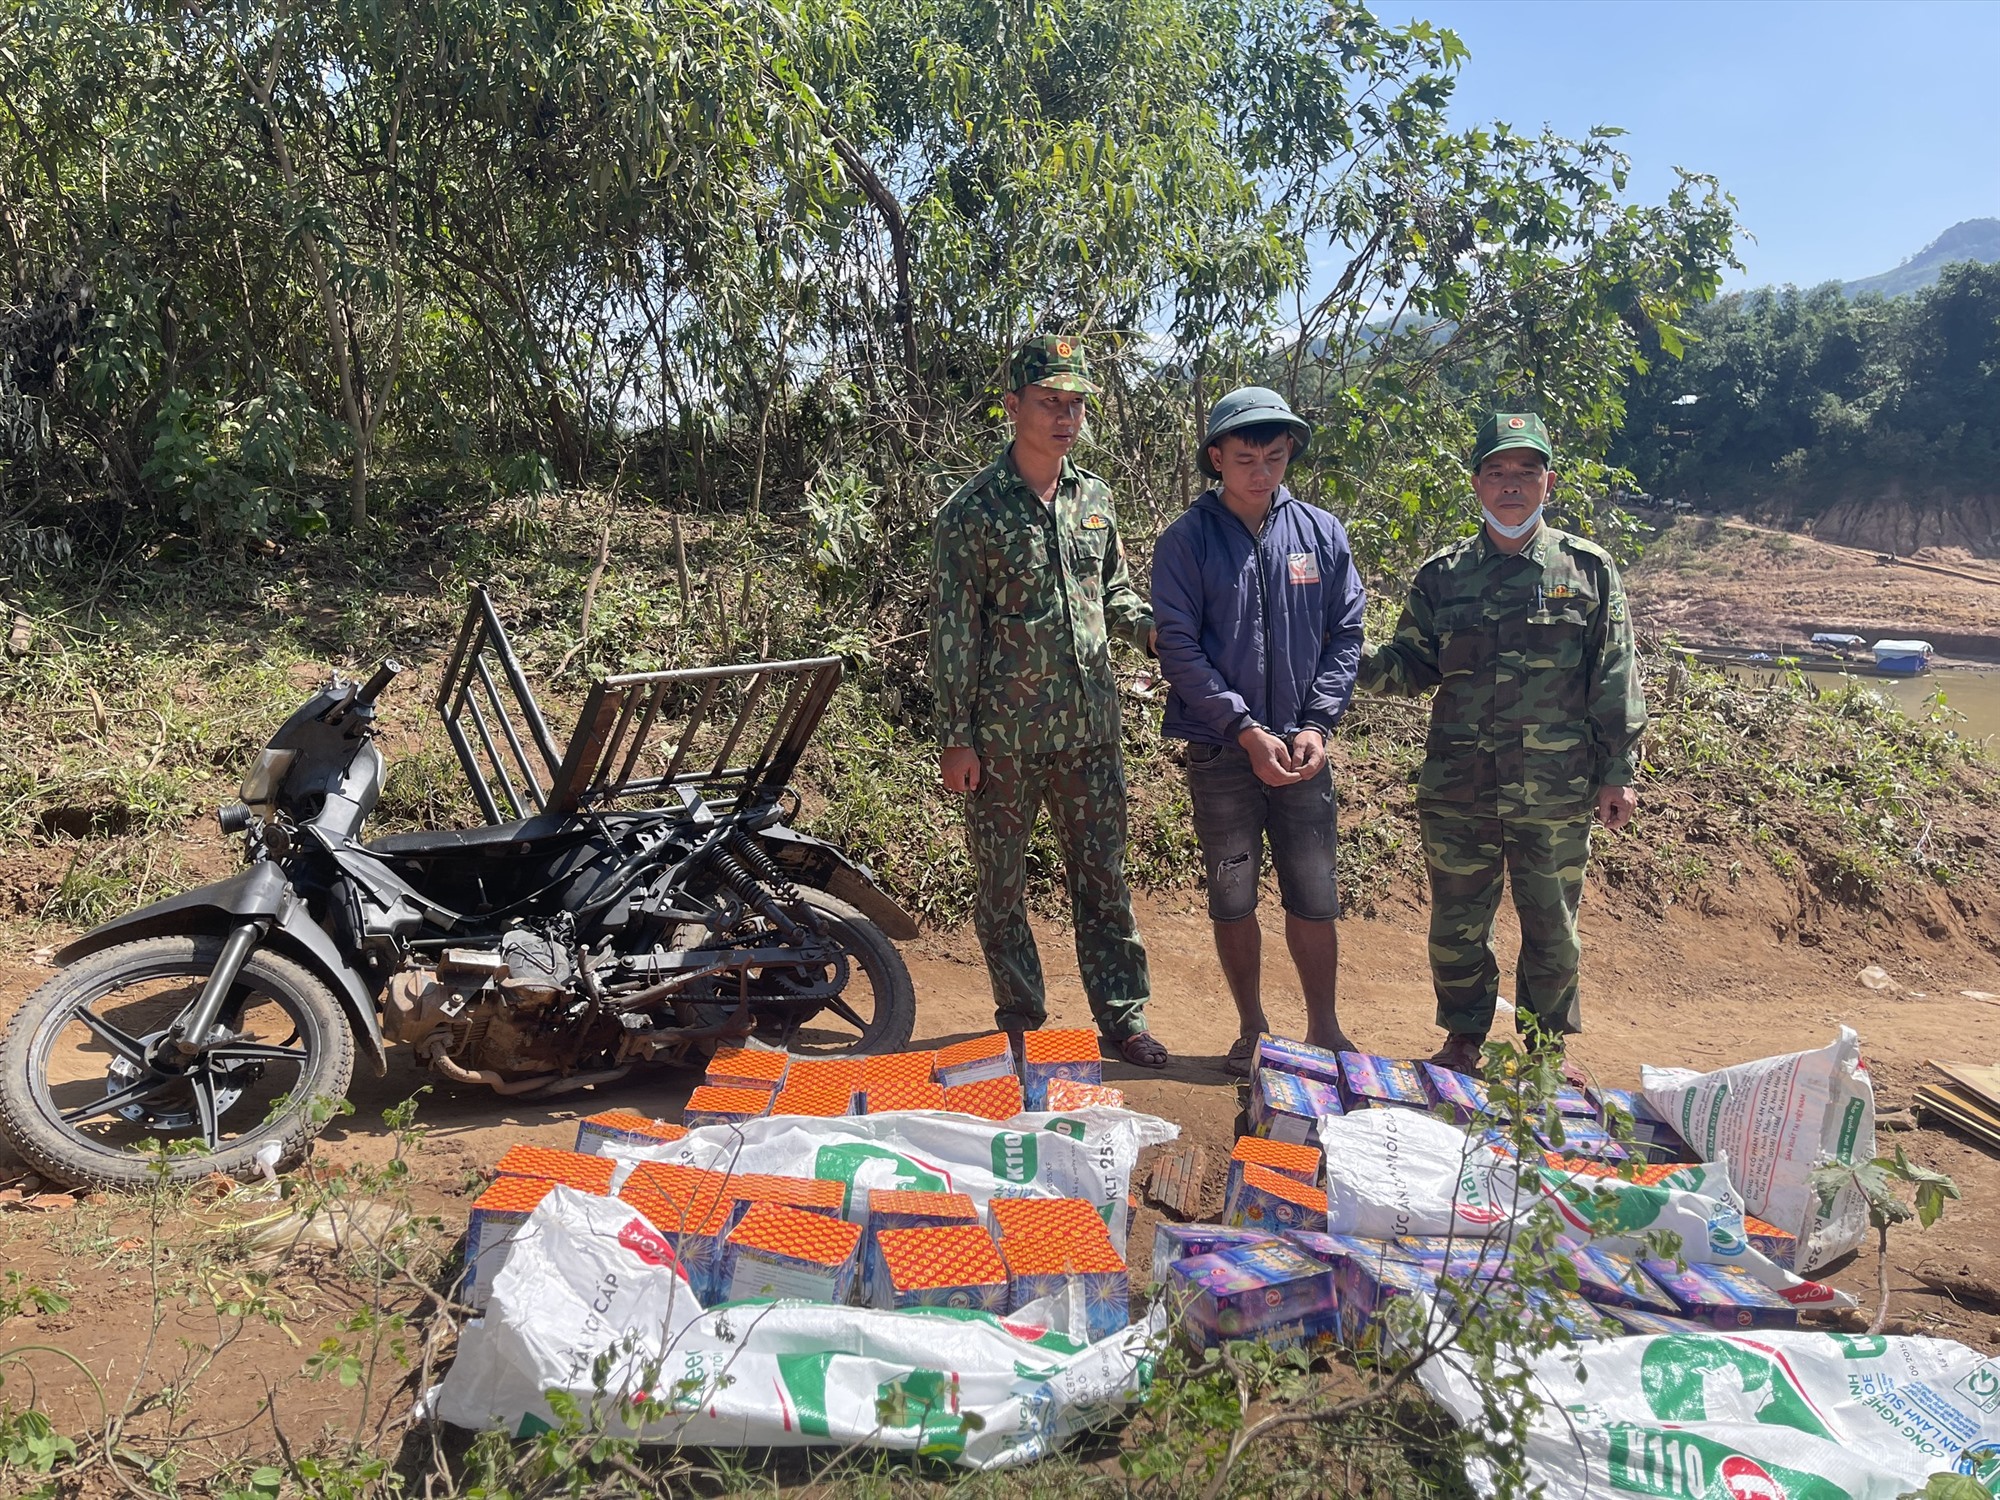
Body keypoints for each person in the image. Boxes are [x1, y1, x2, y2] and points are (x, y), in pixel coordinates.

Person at [1356, 412, 1646, 1076]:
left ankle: (1547, 1046)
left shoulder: (1588, 570)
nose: (1511, 485)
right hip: (1461, 787)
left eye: (1526, 471)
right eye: (1497, 471)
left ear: (1549, 483)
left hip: (1557, 787)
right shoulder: (1442, 577)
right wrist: (1347, 655)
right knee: (1458, 925)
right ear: (1477, 483)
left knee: (1552, 929)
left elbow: (1615, 675)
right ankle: (1464, 1037)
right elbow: (1411, 666)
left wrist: (1619, 771)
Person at [929, 335, 1169, 1067]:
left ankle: (1123, 1018)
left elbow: (1115, 592)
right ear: (1013, 407)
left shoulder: (1094, 497)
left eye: (1075, 404)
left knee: (1103, 879)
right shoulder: (969, 512)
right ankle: (1022, 1021)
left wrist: (1156, 635)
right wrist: (956, 736)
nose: (1065, 417)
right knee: (1001, 887)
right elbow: (953, 633)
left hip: (1091, 729)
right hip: (1003, 737)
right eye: (1049, 402)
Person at [1151, 387, 1366, 1075]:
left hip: (1303, 755)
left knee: (1313, 892)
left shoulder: (1321, 535)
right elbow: (1178, 648)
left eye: (1275, 457)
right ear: (1216, 458)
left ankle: (1326, 1029)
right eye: (1245, 458)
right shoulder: (1186, 542)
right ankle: (1252, 1029)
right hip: (1222, 754)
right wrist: (1244, 729)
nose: (1261, 472)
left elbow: (1347, 633)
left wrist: (1316, 723)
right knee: (1233, 892)